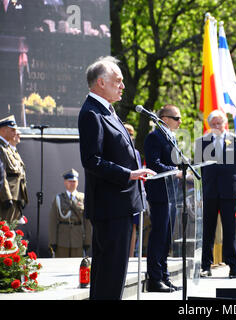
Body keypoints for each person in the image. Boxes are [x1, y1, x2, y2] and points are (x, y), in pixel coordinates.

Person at [78, 56, 155, 300]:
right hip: (110, 207)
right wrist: (129, 174)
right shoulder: (92, 113)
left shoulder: (107, 110)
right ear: (101, 82)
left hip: (120, 205)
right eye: (117, 81)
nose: (122, 86)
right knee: (110, 277)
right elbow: (91, 160)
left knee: (112, 276)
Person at [194, 110, 236, 278]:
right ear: (209, 125)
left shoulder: (235, 141)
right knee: (208, 229)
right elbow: (198, 167)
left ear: (225, 124)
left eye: (219, 123)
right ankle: (206, 266)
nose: (217, 126)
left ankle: (233, 266)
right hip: (210, 191)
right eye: (213, 124)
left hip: (229, 191)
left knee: (230, 230)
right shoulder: (201, 142)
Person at [143, 104, 183, 292]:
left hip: (171, 193)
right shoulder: (154, 136)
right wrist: (175, 171)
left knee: (167, 238)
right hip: (159, 193)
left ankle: (164, 277)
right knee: (159, 235)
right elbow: (154, 163)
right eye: (176, 118)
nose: (180, 121)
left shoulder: (171, 137)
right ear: (165, 118)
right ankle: (154, 278)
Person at [48, 169, 92, 258]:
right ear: (65, 182)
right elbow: (52, 222)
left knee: (76, 267)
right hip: (62, 241)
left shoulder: (83, 198)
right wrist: (53, 242)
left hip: (78, 240)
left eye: (74, 181)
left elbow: (87, 222)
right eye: (69, 181)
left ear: (77, 183)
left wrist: (87, 241)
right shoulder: (58, 199)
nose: (72, 183)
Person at [0, 115, 28, 223]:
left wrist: (22, 196)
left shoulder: (8, 148)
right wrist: (6, 197)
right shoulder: (1, 148)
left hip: (15, 196)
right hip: (6, 198)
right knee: (4, 230)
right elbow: (1, 175)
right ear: (2, 130)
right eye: (12, 130)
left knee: (10, 231)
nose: (15, 132)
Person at [123, 123, 141, 258]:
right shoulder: (117, 150)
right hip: (122, 192)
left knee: (133, 227)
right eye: (126, 133)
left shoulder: (137, 153)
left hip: (135, 194)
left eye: (131, 134)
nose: (129, 136)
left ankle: (130, 256)